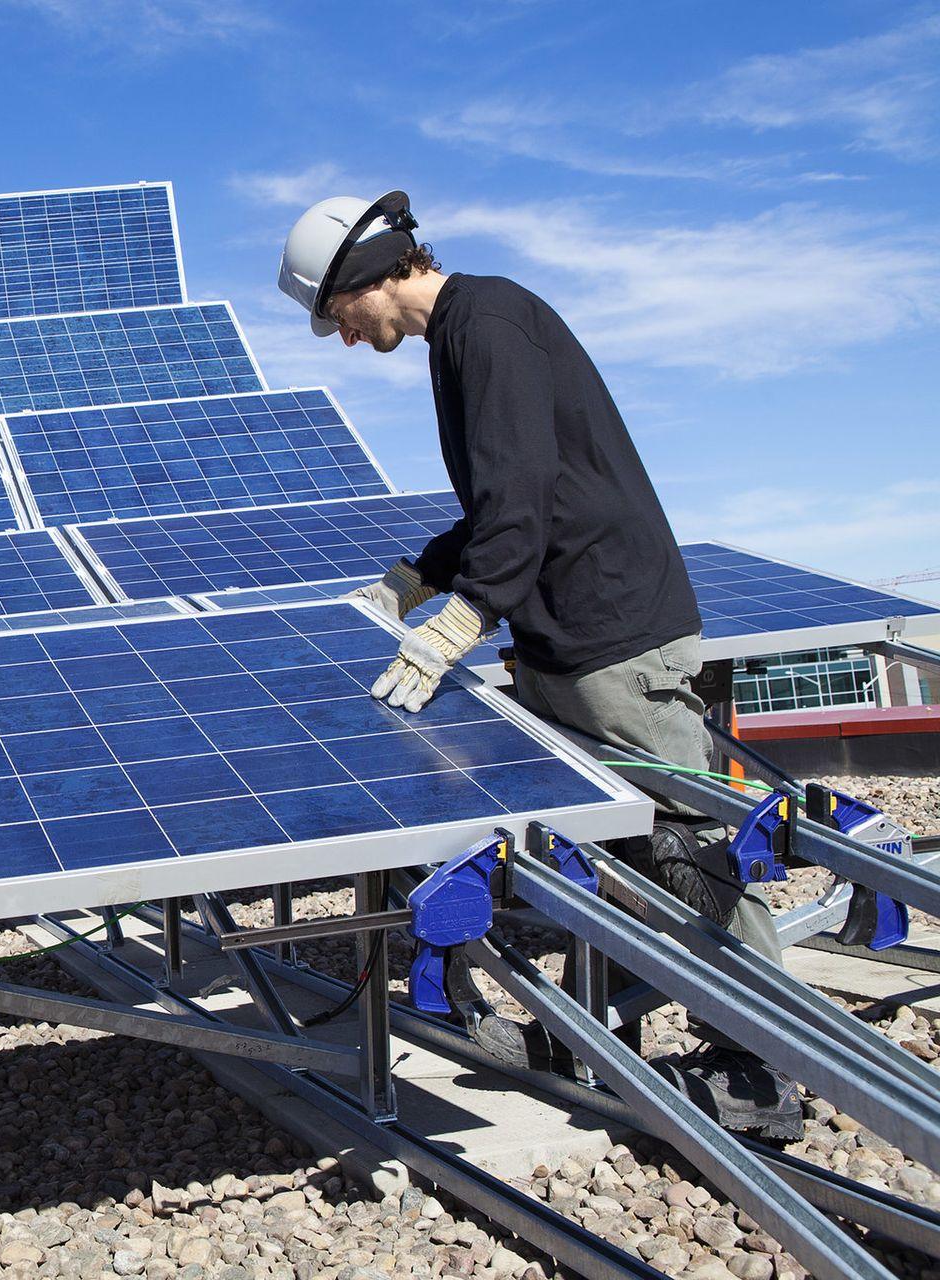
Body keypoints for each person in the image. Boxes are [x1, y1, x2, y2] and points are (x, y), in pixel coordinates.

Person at [276, 192, 801, 1140]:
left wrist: (463, 616)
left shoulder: (490, 321)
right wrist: (417, 577)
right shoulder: (466, 337)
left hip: (613, 633)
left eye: (336, 318)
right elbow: (503, 496)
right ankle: (607, 1026)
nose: (344, 340)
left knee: (685, 852)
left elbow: (524, 493)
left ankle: (765, 1070)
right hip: (571, 634)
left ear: (365, 280)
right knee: (624, 852)